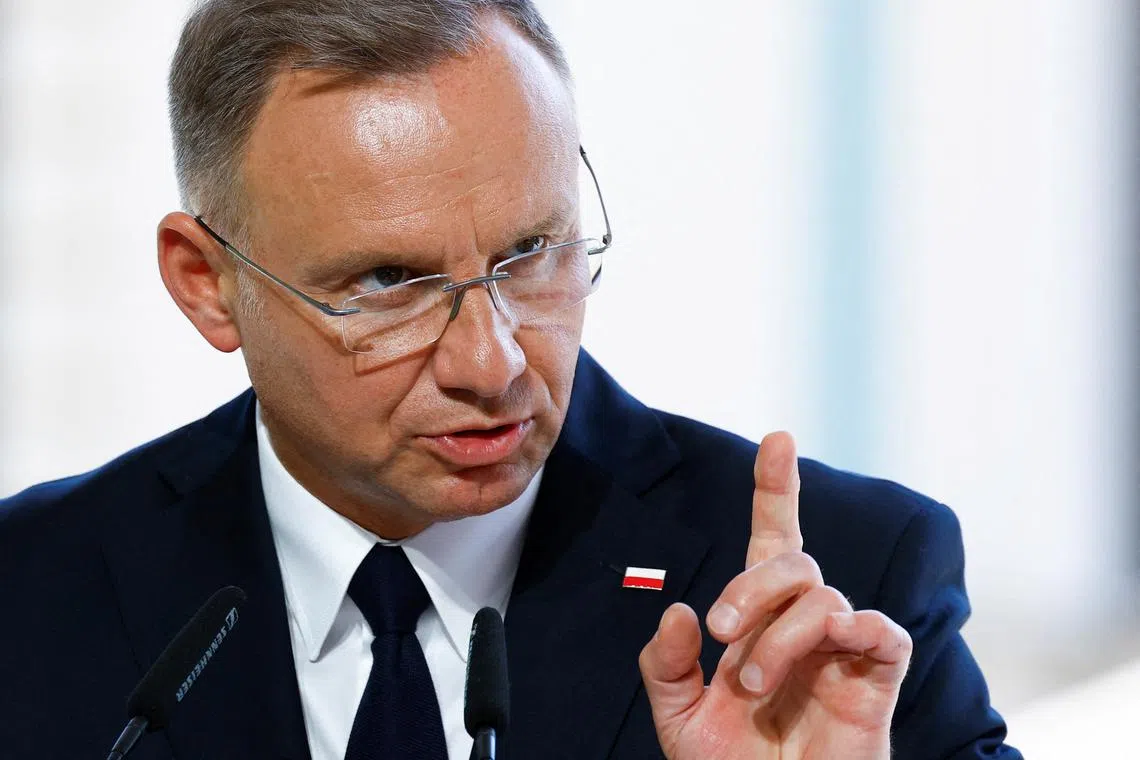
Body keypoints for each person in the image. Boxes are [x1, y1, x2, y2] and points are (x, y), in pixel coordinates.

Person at [0, 1, 1021, 758]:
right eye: (389, 282)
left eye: (532, 251)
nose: (490, 363)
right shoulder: (30, 591)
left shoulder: (841, 595)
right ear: (207, 285)